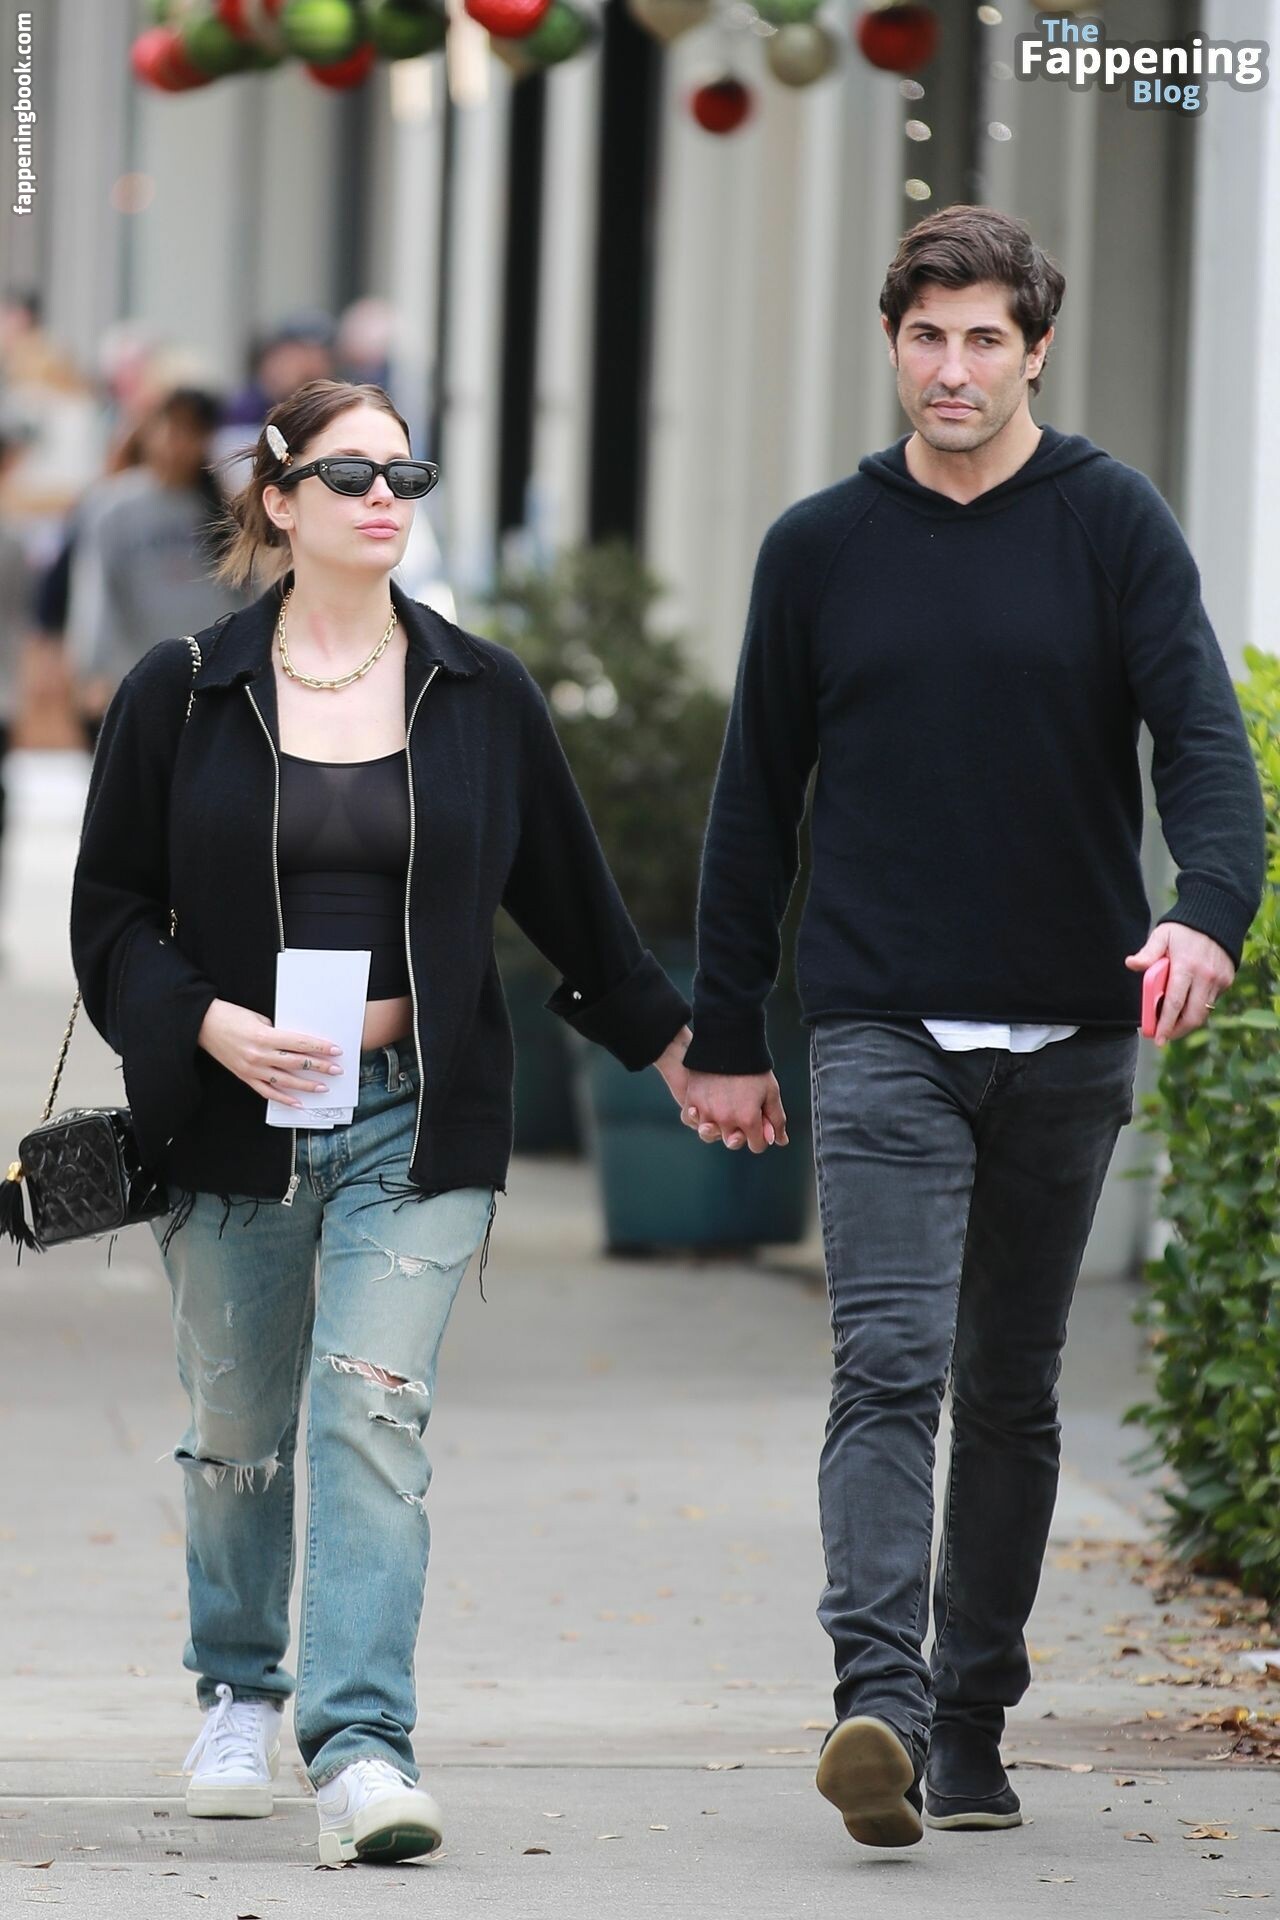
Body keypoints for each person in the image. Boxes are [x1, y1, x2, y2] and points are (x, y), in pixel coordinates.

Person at [680, 205, 1266, 1850]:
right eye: (927, 336)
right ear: (893, 342)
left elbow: (1202, 745)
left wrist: (1208, 912)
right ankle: (876, 1698)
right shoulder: (820, 547)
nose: (954, 368)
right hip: (881, 1020)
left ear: (1035, 350)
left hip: (1072, 1026)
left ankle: (971, 1716)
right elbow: (753, 804)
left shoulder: (1110, 524)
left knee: (1010, 1387)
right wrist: (729, 1029)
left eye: (985, 339)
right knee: (889, 1365)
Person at [68, 378, 693, 1866]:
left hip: (415, 1121)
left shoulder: (479, 693)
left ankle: (361, 1751)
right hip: (232, 1122)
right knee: (239, 1430)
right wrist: (206, 1022)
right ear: (280, 500)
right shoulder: (184, 690)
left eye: (403, 474)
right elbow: (108, 914)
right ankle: (238, 1687)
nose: (383, 499)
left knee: (368, 1413)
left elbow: (576, 909)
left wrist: (682, 1050)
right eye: (349, 475)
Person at [66, 386, 248, 750]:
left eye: (189, 431)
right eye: (167, 426)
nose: (174, 442)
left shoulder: (223, 509)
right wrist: (92, 669)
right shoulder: (113, 506)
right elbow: (96, 593)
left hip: (211, 675)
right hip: (136, 671)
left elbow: (248, 591)